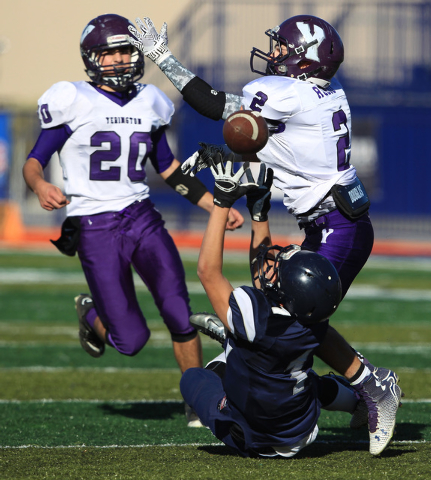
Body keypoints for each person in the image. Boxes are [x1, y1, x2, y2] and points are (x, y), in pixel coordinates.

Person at [128, 14, 402, 453]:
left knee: (295, 325)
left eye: (282, 46)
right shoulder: (322, 94)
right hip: (334, 223)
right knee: (276, 311)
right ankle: (337, 386)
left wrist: (164, 59)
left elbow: (219, 106)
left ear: (303, 58)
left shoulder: (285, 92)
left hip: (337, 228)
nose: (273, 53)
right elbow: (275, 145)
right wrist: (226, 153)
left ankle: (375, 385)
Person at [22, 13, 244, 427]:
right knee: (131, 341)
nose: (122, 59)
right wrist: (39, 187)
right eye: (112, 53)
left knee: (179, 311)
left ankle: (198, 399)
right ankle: (92, 314)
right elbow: (34, 161)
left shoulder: (152, 101)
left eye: (127, 50)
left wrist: (215, 204)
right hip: (94, 224)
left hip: (141, 216)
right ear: (92, 58)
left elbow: (168, 168)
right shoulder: (71, 98)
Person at [181, 154, 375, 458]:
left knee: (197, 377)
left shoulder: (258, 319)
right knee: (292, 377)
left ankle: (232, 344)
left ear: (289, 294)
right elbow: (265, 283)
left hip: (255, 436)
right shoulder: (312, 320)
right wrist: (260, 213)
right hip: (300, 428)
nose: (273, 267)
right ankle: (355, 401)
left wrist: (222, 202)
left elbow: (208, 271)